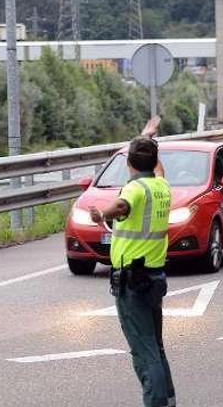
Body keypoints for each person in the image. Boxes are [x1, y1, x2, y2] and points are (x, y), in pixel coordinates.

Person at [90, 118, 176, 407]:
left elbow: (121, 206)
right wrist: (146, 139)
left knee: (144, 352)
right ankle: (168, 401)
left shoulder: (134, 190)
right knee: (156, 346)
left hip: (132, 279)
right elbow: (154, 165)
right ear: (153, 162)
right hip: (154, 277)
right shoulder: (161, 185)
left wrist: (102, 214)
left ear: (128, 162)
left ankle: (156, 403)